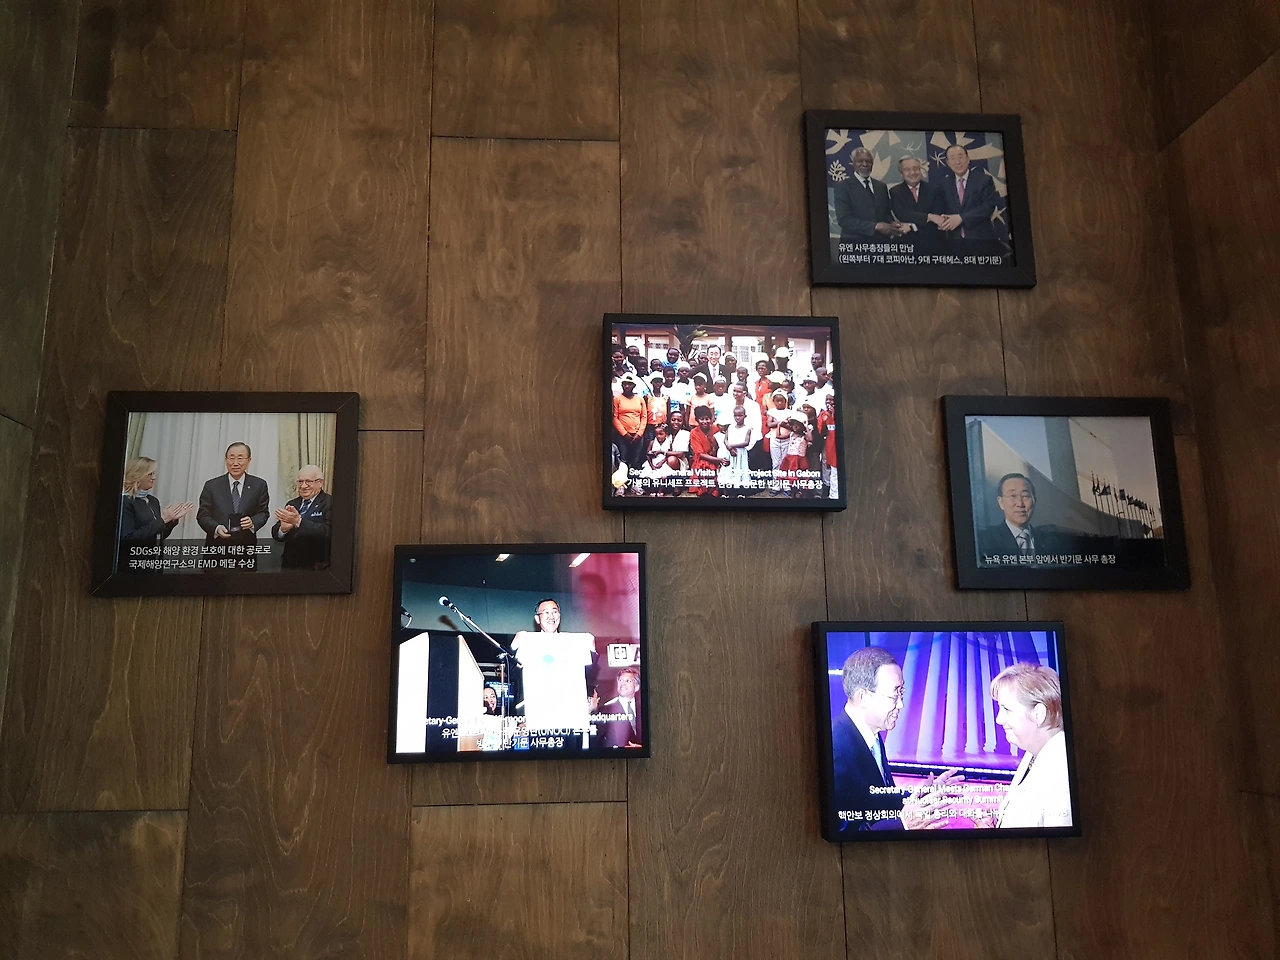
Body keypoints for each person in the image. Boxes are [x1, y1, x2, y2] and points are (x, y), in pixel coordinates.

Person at [831, 647, 958, 832]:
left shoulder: (871, 736)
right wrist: (903, 824)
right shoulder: (835, 751)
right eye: (894, 694)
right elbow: (842, 833)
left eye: (901, 692)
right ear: (864, 697)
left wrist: (920, 797)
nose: (901, 704)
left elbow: (876, 802)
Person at [989, 663, 1072, 828]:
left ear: (1039, 714)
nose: (999, 719)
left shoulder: (1062, 775)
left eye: (1007, 709)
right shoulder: (1033, 755)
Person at [510, 599, 597, 739]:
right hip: (540, 720)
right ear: (537, 619)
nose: (551, 616)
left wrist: (592, 650)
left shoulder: (574, 643)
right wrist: (513, 647)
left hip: (570, 719)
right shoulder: (529, 642)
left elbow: (590, 672)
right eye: (546, 612)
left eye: (554, 612)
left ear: (559, 616)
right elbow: (512, 674)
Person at [196, 442, 270, 546]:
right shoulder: (212, 485)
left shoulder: (259, 485)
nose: (235, 463)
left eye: (240, 458)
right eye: (231, 458)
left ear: (249, 460)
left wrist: (252, 522)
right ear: (226, 460)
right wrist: (216, 528)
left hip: (246, 546)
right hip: (217, 546)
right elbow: (203, 515)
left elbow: (263, 513)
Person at [976, 473, 1054, 561]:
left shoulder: (1051, 541)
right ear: (1001, 502)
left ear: (1034, 500)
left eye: (1025, 496)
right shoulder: (984, 540)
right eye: (1012, 496)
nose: (1020, 504)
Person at [119, 457, 194, 545]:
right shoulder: (124, 502)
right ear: (137, 475)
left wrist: (171, 520)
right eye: (150, 474)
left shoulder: (153, 500)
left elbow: (159, 536)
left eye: (154, 473)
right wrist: (163, 520)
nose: (154, 477)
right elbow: (128, 538)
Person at [834, 147, 903, 242]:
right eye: (860, 161)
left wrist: (892, 223)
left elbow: (886, 213)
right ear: (853, 163)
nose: (865, 164)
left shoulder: (881, 187)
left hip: (881, 244)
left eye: (868, 161)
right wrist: (876, 226)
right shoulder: (843, 186)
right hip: (855, 245)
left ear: (872, 164)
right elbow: (844, 220)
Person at [271, 464, 332, 569]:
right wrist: (283, 530)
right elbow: (276, 533)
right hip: (289, 566)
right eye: (300, 482)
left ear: (320, 483)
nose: (303, 486)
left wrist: (298, 521)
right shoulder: (293, 503)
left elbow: (328, 532)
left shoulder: (330, 502)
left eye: (308, 481)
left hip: (317, 567)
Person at [937, 144, 998, 241]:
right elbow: (941, 209)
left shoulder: (984, 180)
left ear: (968, 159)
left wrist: (961, 218)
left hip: (981, 239)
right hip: (954, 241)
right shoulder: (943, 184)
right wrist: (941, 220)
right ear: (948, 163)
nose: (958, 162)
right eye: (953, 158)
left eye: (960, 157)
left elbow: (988, 207)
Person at [888, 155, 944, 250]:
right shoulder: (894, 192)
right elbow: (903, 215)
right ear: (901, 174)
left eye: (915, 168)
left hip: (933, 244)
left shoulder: (934, 190)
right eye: (907, 170)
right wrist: (929, 217)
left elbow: (937, 218)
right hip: (906, 246)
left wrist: (912, 226)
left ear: (920, 170)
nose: (912, 172)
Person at [612, 375, 648, 471]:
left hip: (637, 435)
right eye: (625, 384)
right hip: (623, 435)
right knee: (623, 459)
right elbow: (615, 417)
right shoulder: (617, 399)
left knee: (636, 459)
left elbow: (644, 417)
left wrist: (639, 434)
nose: (627, 386)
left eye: (629, 384)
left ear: (634, 386)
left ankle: (634, 478)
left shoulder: (640, 399)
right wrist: (624, 434)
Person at [600, 666, 643, 748]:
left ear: (637, 687)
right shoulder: (605, 711)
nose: (623, 684)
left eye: (628, 681)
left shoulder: (644, 709)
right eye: (620, 680)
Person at [688, 404, 725, 497]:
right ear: (697, 420)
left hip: (716, 456)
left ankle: (716, 491)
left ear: (711, 419)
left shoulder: (716, 429)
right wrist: (719, 460)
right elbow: (700, 454)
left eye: (707, 419)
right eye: (702, 419)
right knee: (704, 465)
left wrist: (719, 458)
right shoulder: (694, 432)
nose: (705, 422)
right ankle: (704, 490)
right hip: (701, 458)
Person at [720, 405, 756, 493]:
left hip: (740, 453)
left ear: (745, 416)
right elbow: (725, 439)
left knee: (740, 469)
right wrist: (729, 448)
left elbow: (746, 442)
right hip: (729, 453)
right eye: (736, 415)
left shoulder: (747, 428)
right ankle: (726, 492)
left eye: (740, 415)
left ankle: (740, 492)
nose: (738, 418)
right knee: (728, 469)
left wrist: (732, 446)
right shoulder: (730, 427)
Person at [817, 394, 839, 500]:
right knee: (833, 471)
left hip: (840, 446)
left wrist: (834, 414)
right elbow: (821, 432)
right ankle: (833, 496)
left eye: (832, 400)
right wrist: (826, 419)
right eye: (827, 400)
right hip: (831, 446)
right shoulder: (824, 414)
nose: (829, 402)